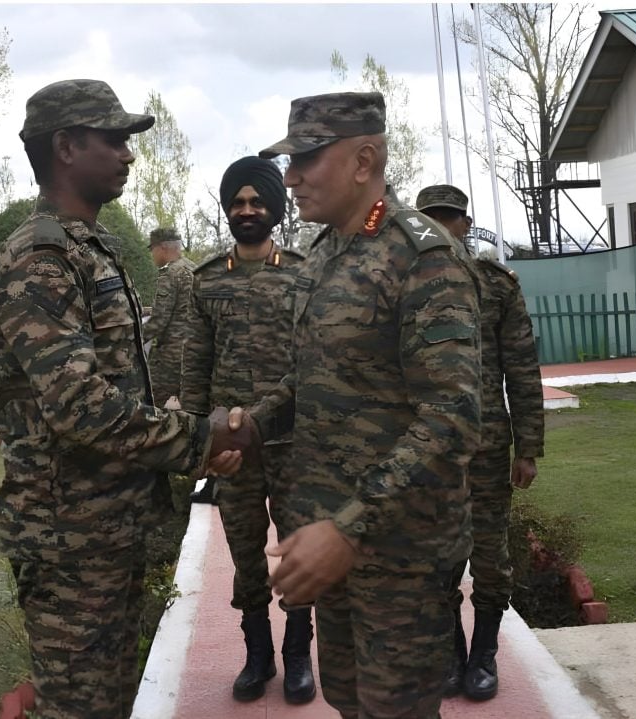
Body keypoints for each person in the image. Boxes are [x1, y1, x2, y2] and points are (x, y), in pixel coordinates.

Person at [0, 78, 247, 719]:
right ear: (66, 146)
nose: (129, 154)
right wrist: (200, 440)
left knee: (107, 696)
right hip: (69, 535)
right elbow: (78, 404)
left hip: (104, 525)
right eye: (115, 139)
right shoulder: (40, 258)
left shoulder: (85, 247)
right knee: (80, 705)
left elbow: (117, 386)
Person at [228, 91, 482, 718]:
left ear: (365, 159)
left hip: (398, 554)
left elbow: (451, 417)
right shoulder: (323, 256)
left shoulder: (422, 257)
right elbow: (309, 380)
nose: (290, 178)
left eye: (306, 159)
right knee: (346, 699)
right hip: (330, 536)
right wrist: (251, 425)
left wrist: (350, 528)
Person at [182, 156, 315, 703]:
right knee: (244, 552)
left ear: (275, 208)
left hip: (293, 442)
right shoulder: (207, 280)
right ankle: (257, 656)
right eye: (237, 203)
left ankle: (299, 656)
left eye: (257, 201)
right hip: (232, 448)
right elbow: (196, 367)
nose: (247, 210)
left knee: (298, 548)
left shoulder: (305, 273)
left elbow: (314, 360)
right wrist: (198, 444)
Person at [416, 184, 545, 701]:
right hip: (427, 452)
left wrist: (528, 447)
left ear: (466, 225)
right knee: (439, 558)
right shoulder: (407, 284)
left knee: (490, 556)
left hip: (488, 448)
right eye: (433, 220)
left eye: (452, 219)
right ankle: (451, 653)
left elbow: (522, 367)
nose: (444, 228)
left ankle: (484, 655)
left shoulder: (496, 285)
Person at [142, 227, 195, 409]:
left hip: (169, 358)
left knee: (155, 406)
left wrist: (132, 339)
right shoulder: (194, 270)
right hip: (193, 352)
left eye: (152, 250)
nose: (152, 255)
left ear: (162, 247)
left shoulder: (170, 274)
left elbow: (159, 322)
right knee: (188, 406)